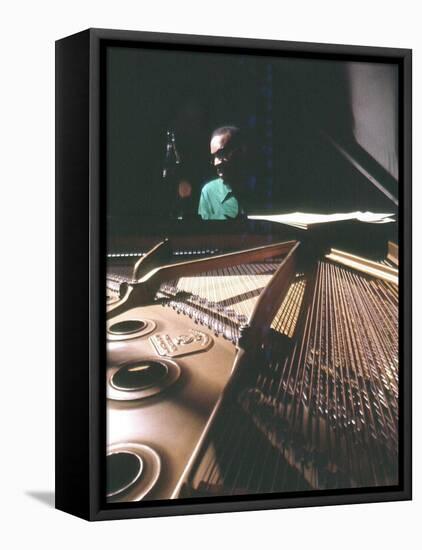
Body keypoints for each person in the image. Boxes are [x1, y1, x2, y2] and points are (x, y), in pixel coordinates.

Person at [198, 126, 247, 220]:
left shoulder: (262, 188)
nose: (216, 163)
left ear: (240, 151)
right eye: (213, 157)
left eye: (221, 154)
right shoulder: (209, 192)